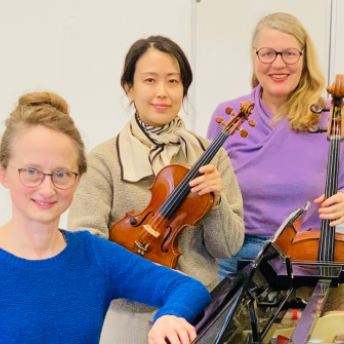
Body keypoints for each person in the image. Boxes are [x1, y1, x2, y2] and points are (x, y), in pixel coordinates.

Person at [0, 92, 211, 344]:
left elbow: (188, 287)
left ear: (78, 178)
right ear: (2, 172)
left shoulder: (94, 255)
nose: (47, 189)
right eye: (32, 172)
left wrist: (169, 315)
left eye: (61, 174)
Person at [68, 35, 245, 343]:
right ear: (129, 87)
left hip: (196, 313)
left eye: (173, 81)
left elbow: (228, 248)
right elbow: (86, 242)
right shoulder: (103, 160)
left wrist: (216, 203)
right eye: (150, 80)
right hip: (127, 315)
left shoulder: (210, 155)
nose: (162, 92)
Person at [207, 12, 344, 279]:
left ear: (303, 58)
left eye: (289, 53)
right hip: (232, 256)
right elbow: (205, 188)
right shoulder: (229, 114)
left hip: (302, 254)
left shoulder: (327, 116)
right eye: (268, 53)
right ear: (255, 57)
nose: (278, 64)